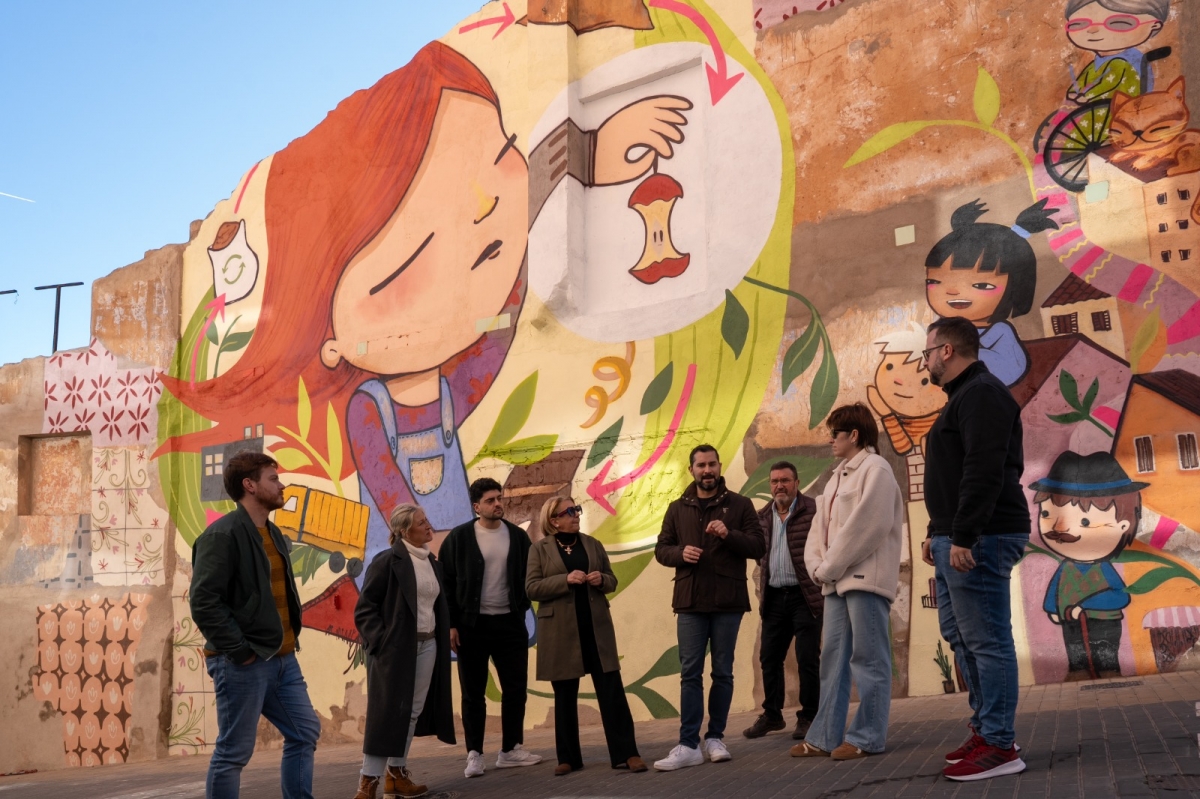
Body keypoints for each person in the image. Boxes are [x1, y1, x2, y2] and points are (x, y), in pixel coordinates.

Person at [155, 40, 693, 646]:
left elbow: (502, 308)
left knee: (502, 628)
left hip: (458, 558)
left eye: (502, 157)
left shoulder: (448, 389)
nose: (480, 234)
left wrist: (572, 158)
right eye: (406, 266)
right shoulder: (369, 408)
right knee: (436, 631)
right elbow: (395, 503)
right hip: (408, 562)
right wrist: (459, 555)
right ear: (331, 344)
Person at [920, 316, 1030, 781]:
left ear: (946, 350)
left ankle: (1001, 746)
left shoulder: (982, 394)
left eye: (927, 352)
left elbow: (983, 469)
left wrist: (964, 535)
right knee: (962, 636)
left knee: (988, 641)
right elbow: (952, 473)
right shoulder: (963, 397)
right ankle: (987, 729)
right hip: (958, 536)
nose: (924, 361)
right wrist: (937, 531)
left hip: (982, 536)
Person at [189, 452, 320, 799]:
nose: (281, 485)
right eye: (273, 479)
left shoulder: (272, 533)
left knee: (304, 732)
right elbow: (204, 602)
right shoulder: (222, 535)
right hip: (243, 662)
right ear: (250, 485)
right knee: (234, 751)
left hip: (282, 659)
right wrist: (240, 650)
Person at [791, 405, 904, 762]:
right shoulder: (836, 477)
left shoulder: (876, 469)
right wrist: (818, 568)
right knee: (833, 660)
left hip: (864, 580)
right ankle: (824, 736)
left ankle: (867, 737)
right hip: (835, 581)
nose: (830, 440)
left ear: (854, 435)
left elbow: (867, 527)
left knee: (869, 659)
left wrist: (828, 567)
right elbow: (818, 530)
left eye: (834, 433)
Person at [653, 444, 766, 771]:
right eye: (701, 465)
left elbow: (758, 546)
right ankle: (688, 744)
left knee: (723, 672)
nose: (707, 470)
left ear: (719, 466)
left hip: (728, 601)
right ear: (691, 470)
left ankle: (715, 738)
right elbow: (661, 549)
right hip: (689, 601)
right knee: (690, 672)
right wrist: (680, 554)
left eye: (712, 464)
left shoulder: (740, 505)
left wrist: (728, 534)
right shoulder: (677, 508)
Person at [526, 496, 647, 776]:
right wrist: (565, 579)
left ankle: (627, 753)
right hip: (560, 631)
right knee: (565, 695)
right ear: (554, 520)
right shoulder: (539, 549)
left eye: (576, 509)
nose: (576, 514)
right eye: (569, 511)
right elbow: (531, 588)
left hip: (595, 628)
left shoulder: (593, 544)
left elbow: (612, 579)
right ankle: (568, 758)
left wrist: (602, 580)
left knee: (612, 691)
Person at [353, 504, 456, 799]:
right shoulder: (387, 561)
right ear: (404, 531)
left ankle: (396, 775)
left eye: (426, 520)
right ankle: (367, 782)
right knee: (386, 714)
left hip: (428, 644)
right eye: (421, 522)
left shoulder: (431, 562)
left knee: (411, 712)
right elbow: (365, 609)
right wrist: (382, 643)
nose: (428, 525)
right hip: (395, 649)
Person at [440, 478, 541, 777]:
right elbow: (446, 585)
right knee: (473, 693)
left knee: (515, 689)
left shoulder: (517, 536)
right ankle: (474, 754)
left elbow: (529, 575)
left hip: (510, 624)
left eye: (499, 498)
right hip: (471, 627)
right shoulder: (459, 538)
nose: (498, 504)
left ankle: (511, 749)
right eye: (490, 500)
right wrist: (451, 624)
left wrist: (521, 606)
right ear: (476, 506)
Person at [1031, 451, 1145, 681]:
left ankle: (1109, 673)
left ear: (1123, 525)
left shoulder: (1103, 568)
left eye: (1084, 521)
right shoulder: (1066, 567)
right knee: (1075, 653)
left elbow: (1120, 594)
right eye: (1047, 513)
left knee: (1105, 652)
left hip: (1104, 620)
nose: (1060, 528)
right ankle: (1078, 673)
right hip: (1069, 620)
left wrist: (1084, 606)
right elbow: (1055, 589)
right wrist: (1053, 610)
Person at [924, 200, 1059, 387]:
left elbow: (1010, 369)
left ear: (1015, 288)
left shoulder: (999, 331)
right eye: (934, 282)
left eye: (981, 285)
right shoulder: (938, 331)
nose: (952, 291)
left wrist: (958, 354)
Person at [743, 461, 822, 741]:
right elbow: (758, 554)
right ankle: (772, 715)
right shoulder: (762, 516)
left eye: (785, 480)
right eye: (775, 481)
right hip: (775, 596)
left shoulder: (813, 510)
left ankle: (809, 716)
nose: (780, 486)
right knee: (769, 657)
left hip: (805, 596)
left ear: (797, 483)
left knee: (807, 658)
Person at [1064, 0, 1169, 104]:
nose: (1093, 30)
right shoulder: (1098, 62)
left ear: (1154, 26)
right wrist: (1074, 92)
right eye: (1078, 24)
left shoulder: (1124, 62)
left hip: (1117, 108)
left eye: (1119, 23)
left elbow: (1108, 84)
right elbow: (1084, 80)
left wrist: (1087, 96)